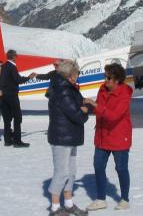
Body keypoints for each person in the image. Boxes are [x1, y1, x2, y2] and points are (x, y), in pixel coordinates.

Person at [85, 63, 133, 211]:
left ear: (117, 80)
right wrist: (87, 108)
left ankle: (124, 199)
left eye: (108, 78)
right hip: (102, 135)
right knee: (98, 166)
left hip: (119, 136)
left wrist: (95, 105)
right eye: (104, 76)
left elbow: (113, 116)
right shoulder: (102, 89)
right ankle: (101, 199)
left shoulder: (124, 94)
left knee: (121, 168)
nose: (105, 80)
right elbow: (100, 108)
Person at [46, 60, 89, 216]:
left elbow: (77, 104)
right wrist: (84, 111)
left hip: (69, 136)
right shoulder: (62, 90)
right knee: (61, 172)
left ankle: (69, 204)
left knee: (71, 171)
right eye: (76, 74)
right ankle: (55, 208)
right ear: (70, 75)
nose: (77, 77)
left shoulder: (68, 88)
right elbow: (76, 114)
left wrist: (85, 103)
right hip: (61, 137)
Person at [0, 49, 36, 147]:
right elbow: (18, 80)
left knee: (7, 119)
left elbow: (3, 81)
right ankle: (17, 141)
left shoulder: (3, 66)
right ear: (14, 57)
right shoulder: (12, 67)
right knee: (17, 118)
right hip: (11, 96)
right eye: (16, 56)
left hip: (4, 96)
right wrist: (29, 77)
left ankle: (7, 140)